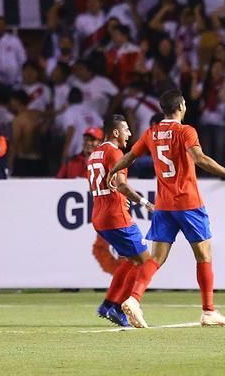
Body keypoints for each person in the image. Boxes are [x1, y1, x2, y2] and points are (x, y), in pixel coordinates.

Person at [106, 89, 225, 328]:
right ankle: (208, 311)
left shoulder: (152, 132)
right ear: (181, 106)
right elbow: (200, 159)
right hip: (188, 203)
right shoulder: (186, 131)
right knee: (204, 255)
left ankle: (134, 298)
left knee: (156, 258)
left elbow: (130, 156)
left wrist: (112, 171)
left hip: (163, 205)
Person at [88, 115, 153, 328]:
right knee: (146, 261)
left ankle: (108, 305)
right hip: (116, 216)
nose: (130, 134)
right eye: (126, 130)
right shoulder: (114, 152)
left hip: (99, 215)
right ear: (115, 132)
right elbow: (121, 185)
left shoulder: (94, 153)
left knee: (130, 260)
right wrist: (145, 202)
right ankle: (118, 307)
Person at [7, 90, 49, 177]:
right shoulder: (37, 114)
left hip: (24, 162)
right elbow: (51, 115)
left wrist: (10, 165)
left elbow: (14, 143)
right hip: (40, 160)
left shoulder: (18, 120)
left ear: (16, 102)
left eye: (11, 101)